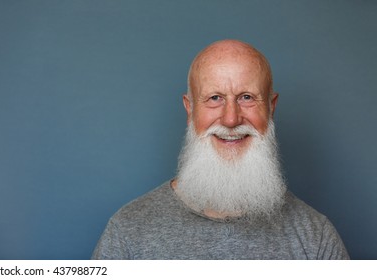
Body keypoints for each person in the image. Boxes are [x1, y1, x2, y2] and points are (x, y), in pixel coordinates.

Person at [92, 39, 349, 259]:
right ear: (190, 109)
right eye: (215, 98)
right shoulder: (127, 231)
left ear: (271, 107)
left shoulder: (316, 238)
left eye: (247, 97)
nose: (231, 119)